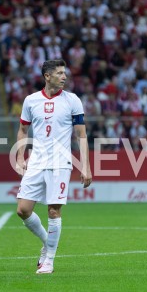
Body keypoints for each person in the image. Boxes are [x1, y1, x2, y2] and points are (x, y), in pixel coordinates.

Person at [15, 59, 92, 274]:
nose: (64, 76)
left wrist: (85, 166)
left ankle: (49, 259)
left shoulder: (72, 100)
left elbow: (81, 135)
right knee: (23, 210)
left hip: (60, 162)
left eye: (64, 73)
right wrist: (21, 157)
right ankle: (47, 243)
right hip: (36, 161)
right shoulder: (31, 101)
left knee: (53, 210)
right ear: (47, 76)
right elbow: (23, 130)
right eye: (59, 73)